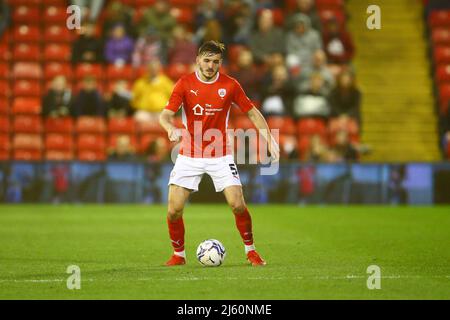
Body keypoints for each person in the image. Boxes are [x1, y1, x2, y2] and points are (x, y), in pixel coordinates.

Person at [159, 41, 280, 266]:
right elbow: (164, 115)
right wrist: (170, 128)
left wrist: (269, 139)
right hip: (188, 154)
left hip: (220, 154)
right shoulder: (184, 84)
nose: (210, 65)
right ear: (197, 60)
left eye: (215, 62)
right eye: (206, 60)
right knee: (174, 210)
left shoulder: (230, 85)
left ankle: (251, 251)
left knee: (237, 204)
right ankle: (179, 255)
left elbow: (253, 113)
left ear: (220, 63)